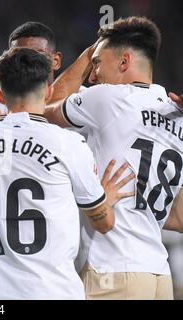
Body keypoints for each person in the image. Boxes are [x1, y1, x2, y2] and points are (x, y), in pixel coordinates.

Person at [0, 48, 133, 299]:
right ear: (49, 91)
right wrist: (107, 198)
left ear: (0, 94)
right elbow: (104, 223)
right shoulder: (69, 144)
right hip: (51, 292)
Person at [45, 16, 183, 299]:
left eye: (97, 63)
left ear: (124, 62)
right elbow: (179, 218)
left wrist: (85, 55)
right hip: (158, 275)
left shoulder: (108, 99)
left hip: (113, 269)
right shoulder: (176, 115)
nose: (92, 75)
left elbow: (43, 107)